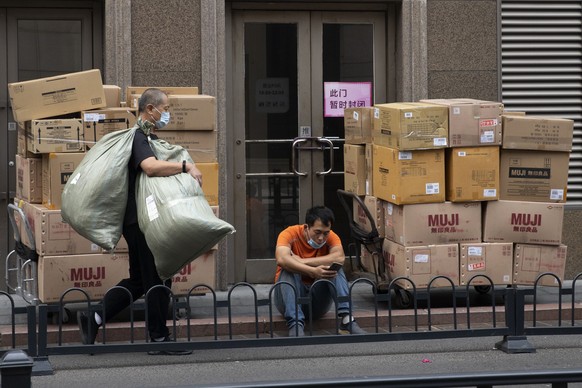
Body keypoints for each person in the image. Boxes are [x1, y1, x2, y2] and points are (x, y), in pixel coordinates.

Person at [78, 88, 203, 355]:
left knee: (139, 280)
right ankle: (158, 338)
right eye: (165, 107)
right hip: (143, 222)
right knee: (160, 276)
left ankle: (94, 318)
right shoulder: (138, 138)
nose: (167, 113)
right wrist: (186, 167)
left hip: (136, 222)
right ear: (150, 109)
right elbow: (150, 167)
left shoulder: (144, 137)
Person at [274, 206, 366, 336]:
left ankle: (347, 320)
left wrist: (301, 261)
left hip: (316, 302)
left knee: (335, 268)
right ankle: (295, 325)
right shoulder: (289, 233)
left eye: (325, 233)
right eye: (317, 232)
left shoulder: (331, 236)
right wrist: (311, 271)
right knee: (288, 269)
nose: (322, 238)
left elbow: (339, 258)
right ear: (306, 227)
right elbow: (282, 259)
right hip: (287, 300)